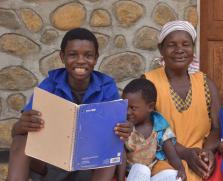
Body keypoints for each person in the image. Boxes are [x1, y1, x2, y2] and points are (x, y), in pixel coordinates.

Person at [7, 28, 132, 181]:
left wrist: (125, 129)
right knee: (20, 140)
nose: (80, 60)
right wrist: (22, 124)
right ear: (62, 56)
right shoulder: (49, 85)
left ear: (96, 58)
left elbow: (118, 132)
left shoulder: (107, 87)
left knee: (109, 144)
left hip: (87, 166)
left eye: (88, 55)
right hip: (49, 166)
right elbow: (16, 133)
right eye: (73, 55)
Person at [144, 20, 221, 181]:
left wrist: (207, 151)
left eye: (186, 44)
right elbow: (144, 130)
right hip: (163, 160)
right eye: (172, 45)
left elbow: (217, 127)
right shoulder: (148, 83)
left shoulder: (205, 82)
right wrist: (185, 153)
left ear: (193, 49)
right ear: (161, 49)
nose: (179, 50)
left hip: (201, 160)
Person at [116, 78, 186, 181]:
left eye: (133, 108)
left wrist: (181, 169)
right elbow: (122, 156)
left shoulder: (159, 126)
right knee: (142, 170)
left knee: (173, 176)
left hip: (152, 175)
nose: (127, 112)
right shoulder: (124, 127)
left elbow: (171, 152)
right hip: (132, 175)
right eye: (125, 107)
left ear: (150, 107)